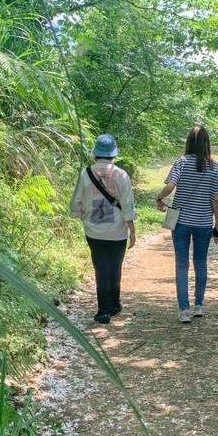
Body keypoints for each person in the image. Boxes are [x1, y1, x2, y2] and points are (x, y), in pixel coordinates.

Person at [156, 125, 218, 323]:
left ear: (188, 142)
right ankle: (199, 306)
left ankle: (184, 309)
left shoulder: (181, 162)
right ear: (207, 143)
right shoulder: (215, 167)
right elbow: (216, 199)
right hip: (203, 223)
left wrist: (159, 198)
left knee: (181, 265)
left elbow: (170, 186)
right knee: (201, 264)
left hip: (181, 223)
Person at [70, 134, 136, 324]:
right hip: (117, 230)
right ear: (113, 153)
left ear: (96, 154)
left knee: (100, 267)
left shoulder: (86, 173)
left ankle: (103, 310)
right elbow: (127, 204)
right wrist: (132, 230)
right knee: (115, 267)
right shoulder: (121, 175)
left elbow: (76, 200)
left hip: (93, 230)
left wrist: (79, 216)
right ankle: (114, 304)